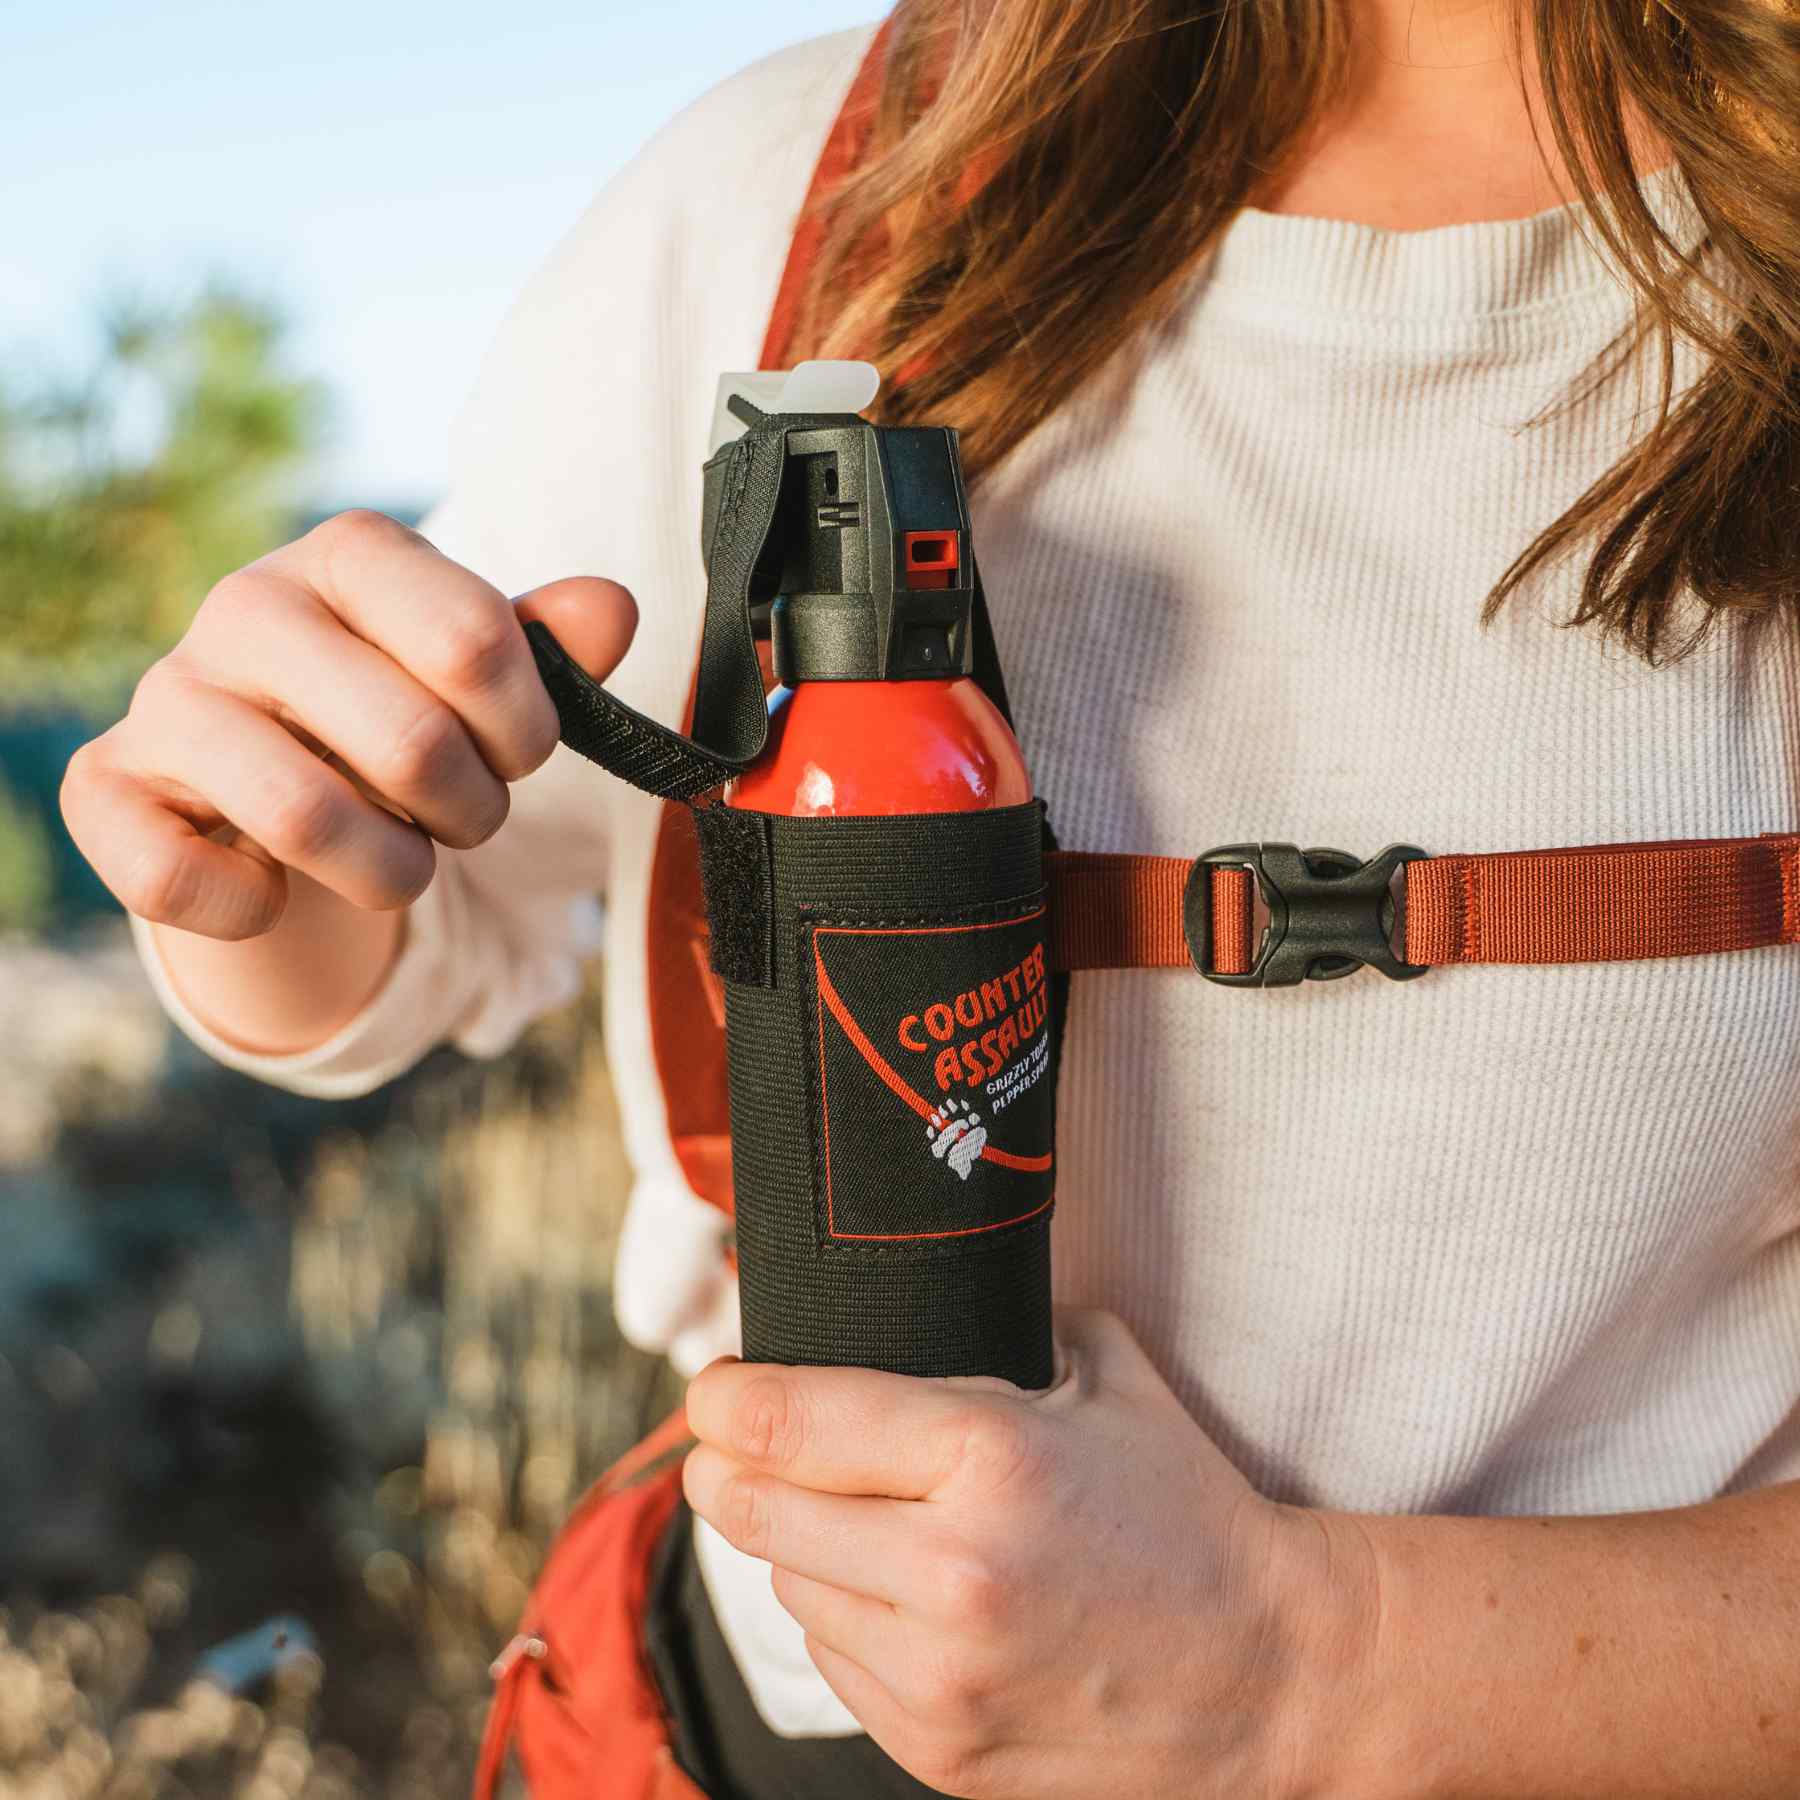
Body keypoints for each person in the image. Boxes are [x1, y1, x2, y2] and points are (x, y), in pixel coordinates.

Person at [61, 0, 1800, 1794]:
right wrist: (261, 852)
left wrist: (1310, 1661)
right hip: (777, 1731)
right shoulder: (810, 188)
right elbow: (438, 927)